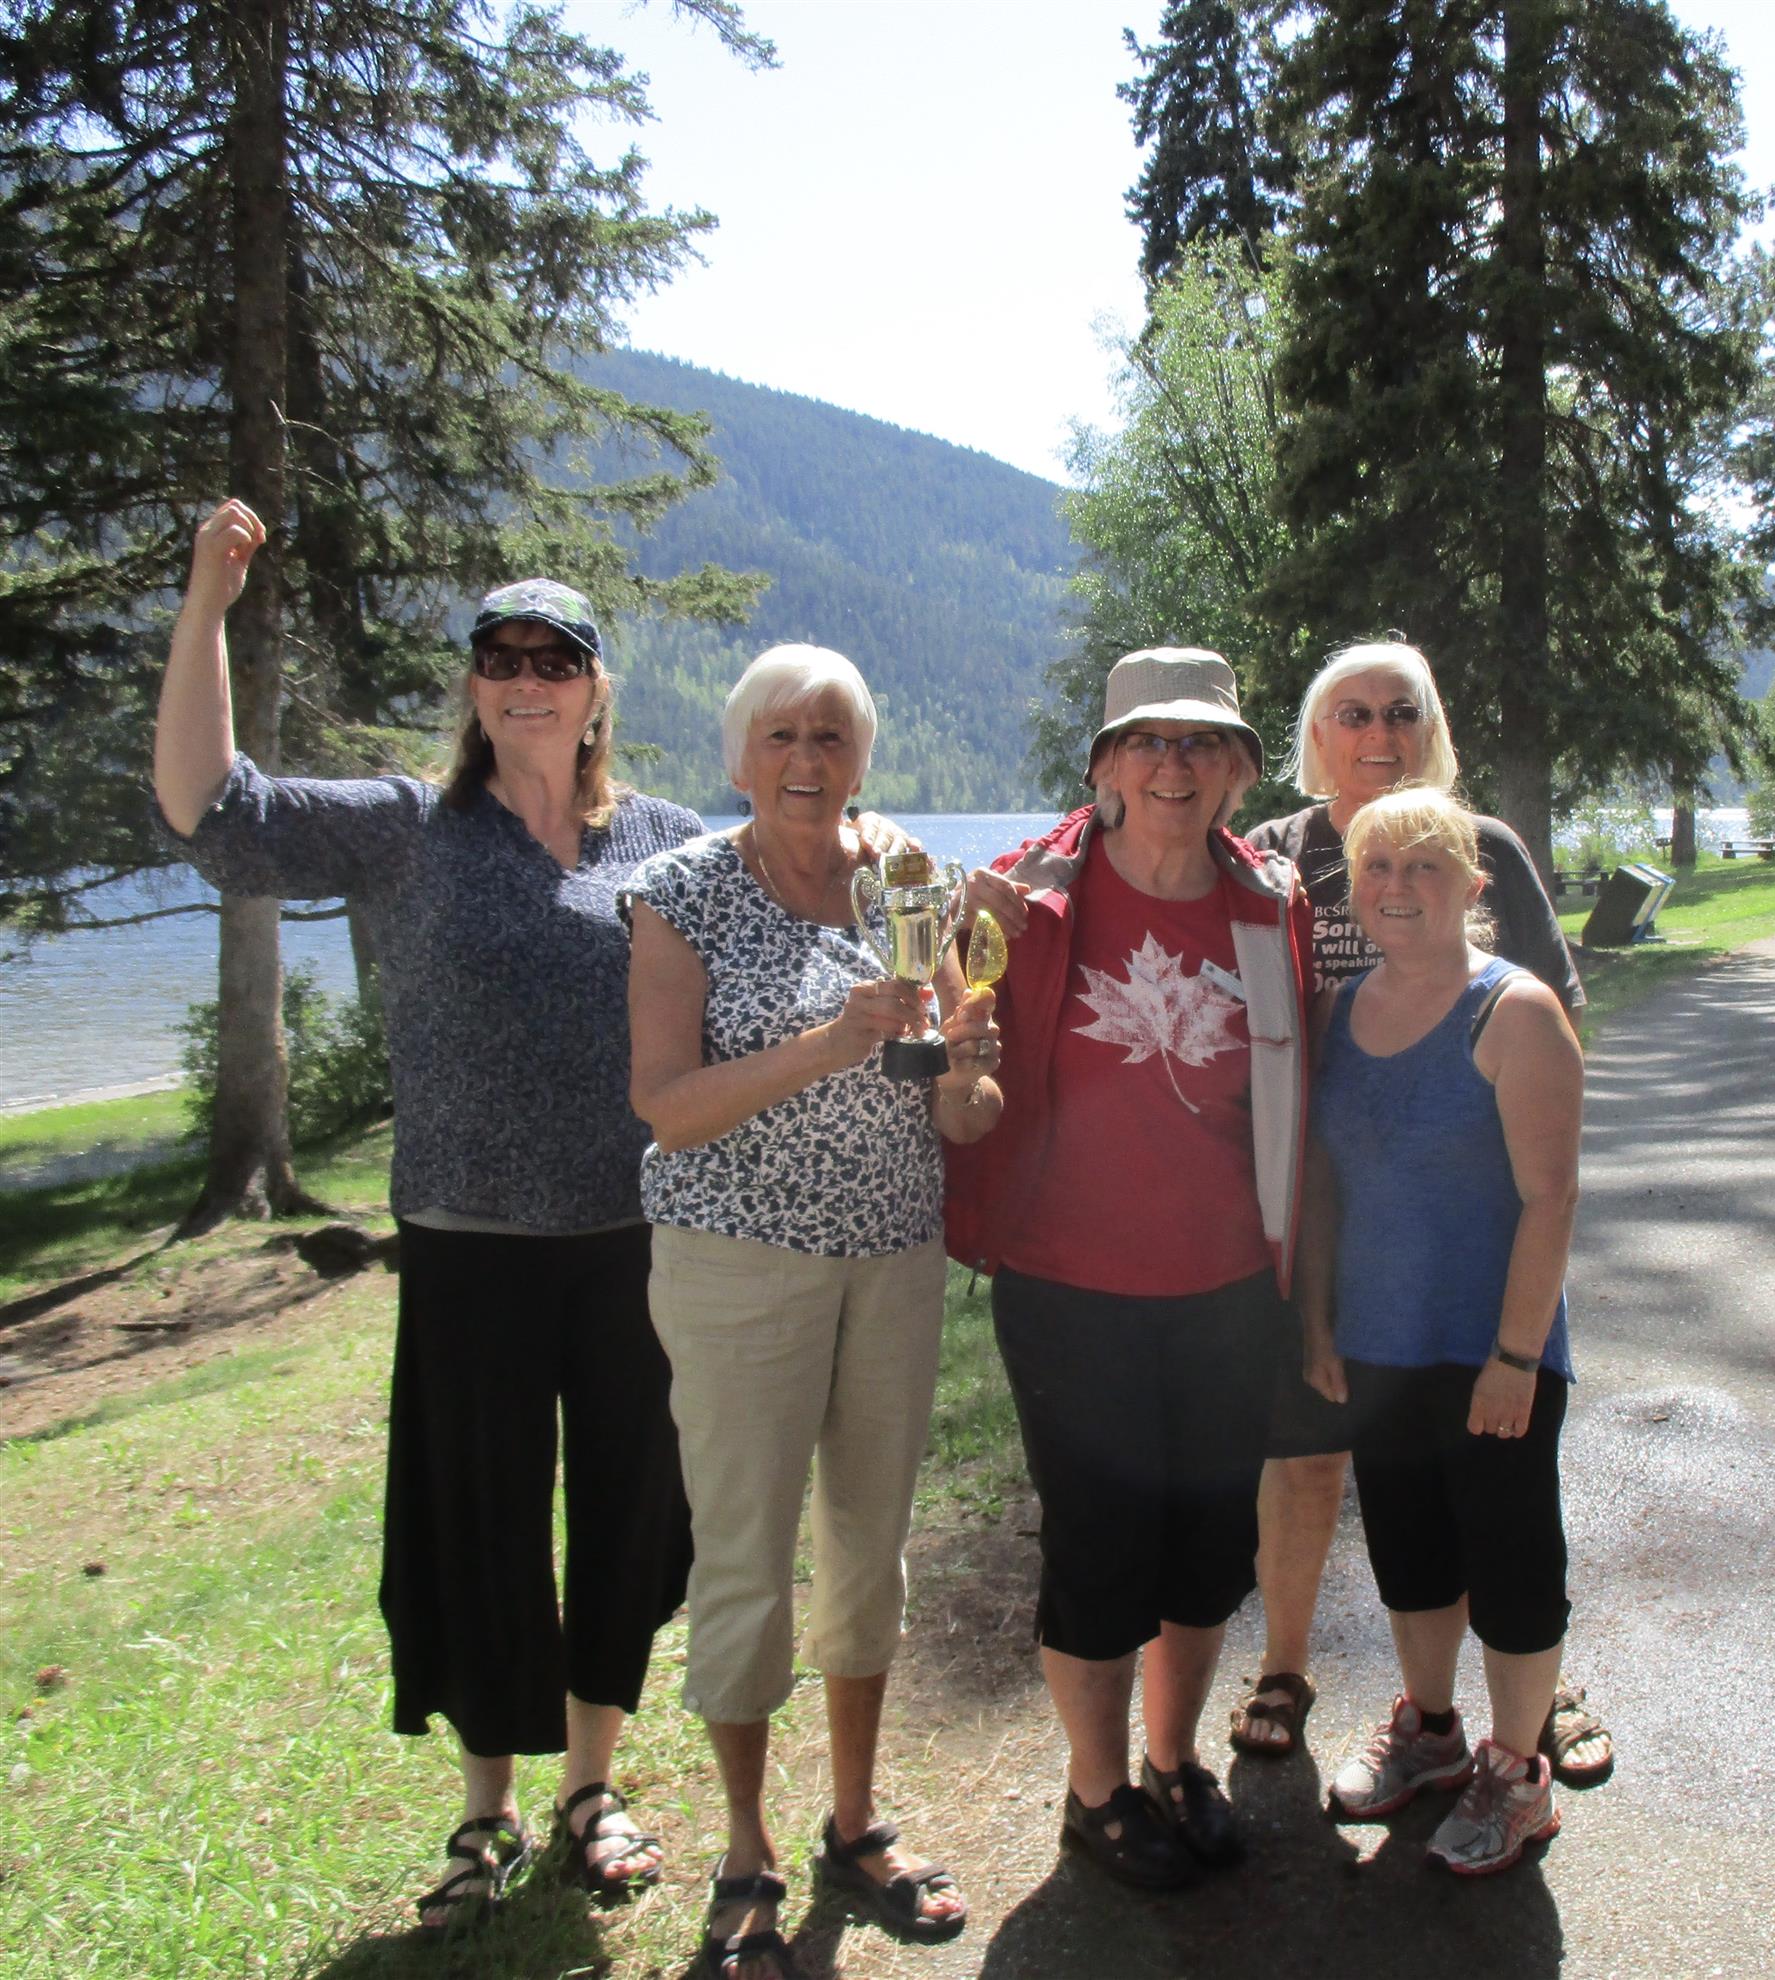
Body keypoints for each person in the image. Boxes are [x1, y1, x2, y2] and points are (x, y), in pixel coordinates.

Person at [156, 501, 765, 1929]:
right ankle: (486, 1810)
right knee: (479, 1524)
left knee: (626, 1517)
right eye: (501, 658)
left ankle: (593, 1790)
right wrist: (205, 607)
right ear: (474, 686)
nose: (527, 680)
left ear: (598, 687)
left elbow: (788, 898)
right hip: (467, 1246)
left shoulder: (668, 841)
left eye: (556, 659)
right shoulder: (405, 829)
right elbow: (211, 814)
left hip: (635, 1243)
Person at [624, 644, 1001, 1980]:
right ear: (739, 758)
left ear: (863, 760)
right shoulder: (681, 892)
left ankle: (853, 1821)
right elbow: (666, 1107)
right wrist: (829, 1045)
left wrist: (967, 1074)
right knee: (744, 1555)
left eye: (831, 738)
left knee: (866, 1545)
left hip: (892, 1259)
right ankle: (745, 1852)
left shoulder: (906, 880)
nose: (806, 759)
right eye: (781, 736)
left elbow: (962, 1105)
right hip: (737, 1266)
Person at [946, 648, 1314, 1891]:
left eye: (1203, 743)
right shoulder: (1020, 901)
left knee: (1206, 1550)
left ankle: (1173, 1758)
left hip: (1228, 1287)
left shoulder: (1267, 902)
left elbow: (1295, 1090)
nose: (1174, 764)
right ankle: (1095, 1794)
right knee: (1098, 1549)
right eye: (1147, 741)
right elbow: (950, 1050)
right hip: (1069, 1288)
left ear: (1239, 771)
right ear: (1105, 765)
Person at [1228, 640, 1611, 1790]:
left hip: (1460, 1211)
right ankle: (1298, 1674)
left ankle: (1534, 1701)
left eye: (1401, 710)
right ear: (1316, 736)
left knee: (1495, 1491)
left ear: (1430, 730)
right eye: (1351, 713)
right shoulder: (1270, 859)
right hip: (1318, 1219)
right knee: (1332, 1474)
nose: (1377, 731)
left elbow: (1548, 1036)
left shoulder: (1482, 847)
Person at [1301, 786, 1584, 1875]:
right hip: (1379, 1341)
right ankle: (1429, 1731)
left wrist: (1514, 1357)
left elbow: (1551, 1198)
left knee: (1510, 1561)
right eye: (1376, 867)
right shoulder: (1339, 1009)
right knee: (1409, 1550)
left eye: (1424, 865)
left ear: (1472, 884)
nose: (1397, 886)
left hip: (1489, 1347)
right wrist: (1318, 1319)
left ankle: (1517, 1773)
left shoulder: (1512, 1011)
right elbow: (1323, 1185)